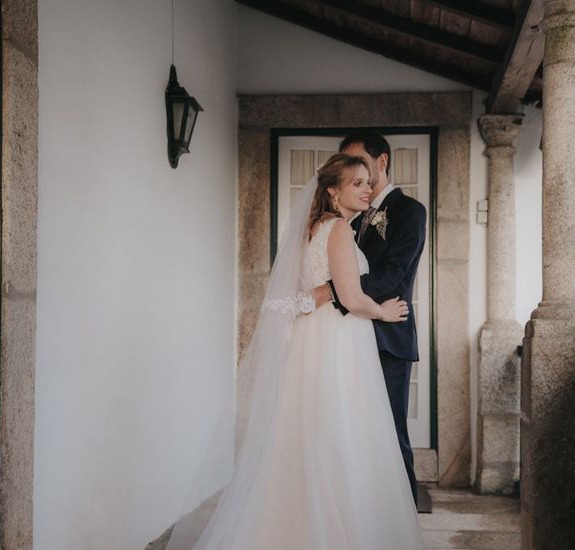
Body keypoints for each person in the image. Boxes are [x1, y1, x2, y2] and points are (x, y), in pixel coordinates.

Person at [168, 154, 425, 550]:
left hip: (317, 338)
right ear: (332, 191)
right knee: (342, 430)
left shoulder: (313, 229)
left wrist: (327, 298)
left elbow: (312, 293)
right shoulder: (339, 229)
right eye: (356, 183)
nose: (366, 189)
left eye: (367, 182)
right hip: (340, 340)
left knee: (314, 429)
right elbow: (353, 297)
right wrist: (384, 311)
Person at [314, 132, 427, 506]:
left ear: (381, 162)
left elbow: (393, 275)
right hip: (345, 337)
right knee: (349, 436)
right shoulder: (342, 218)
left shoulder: (409, 211)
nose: (356, 174)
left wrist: (334, 290)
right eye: (349, 168)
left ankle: (402, 524)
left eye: (361, 164)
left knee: (389, 437)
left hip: (386, 336)